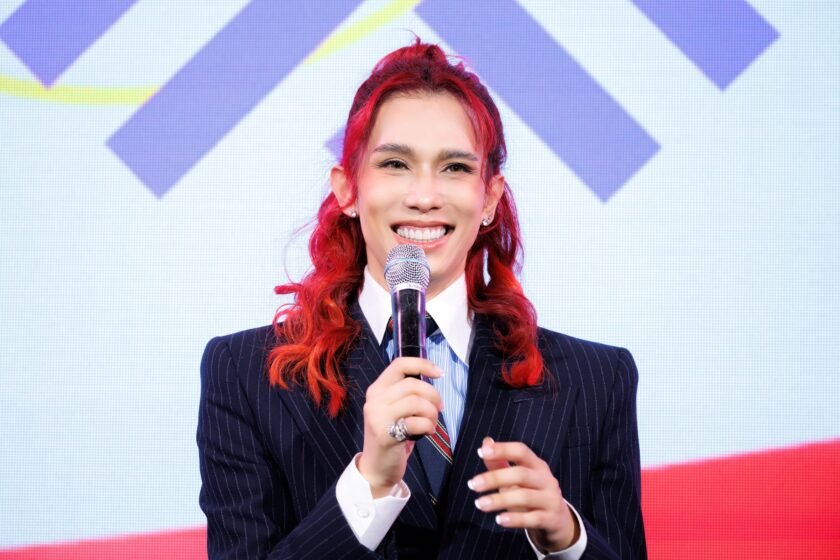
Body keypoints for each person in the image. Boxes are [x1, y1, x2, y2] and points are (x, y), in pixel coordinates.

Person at [197, 40, 646, 559]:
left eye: (455, 168)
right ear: (347, 189)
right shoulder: (246, 375)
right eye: (395, 164)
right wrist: (370, 485)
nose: (425, 196)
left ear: (490, 198)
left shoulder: (596, 380)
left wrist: (567, 540)